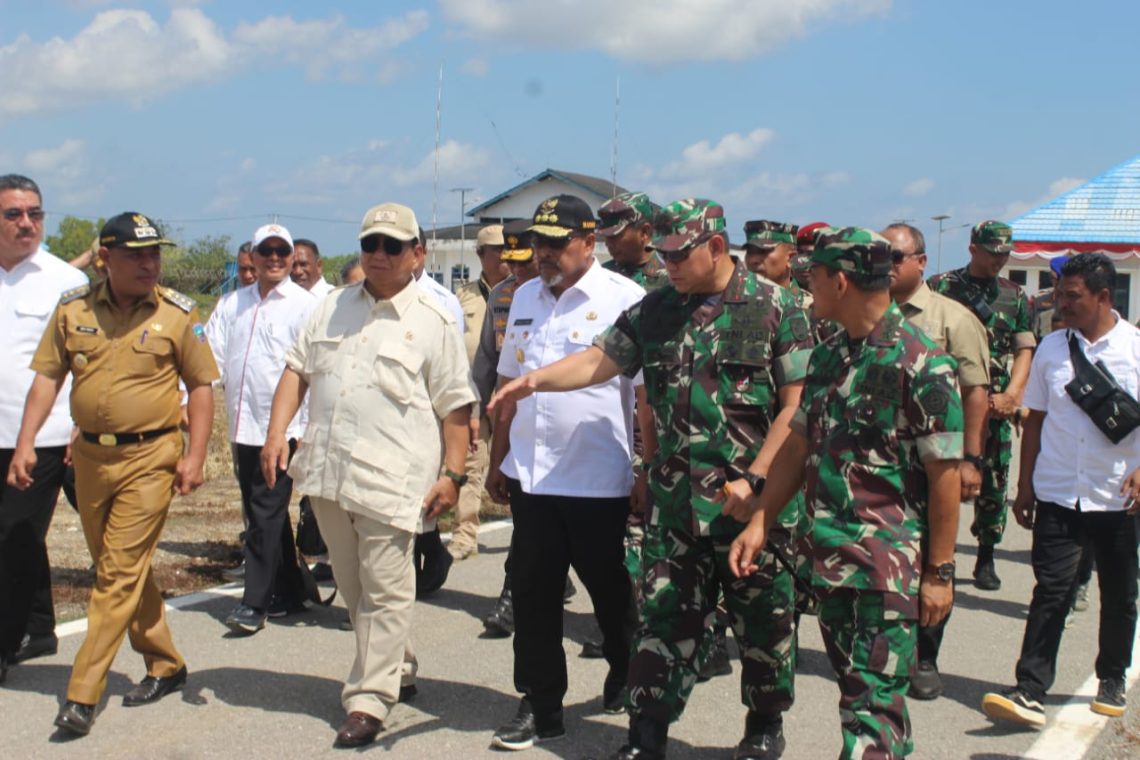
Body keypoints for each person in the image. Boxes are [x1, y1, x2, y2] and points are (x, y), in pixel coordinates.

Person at [492, 198, 816, 760]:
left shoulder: (777, 306)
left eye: (679, 255)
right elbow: (599, 361)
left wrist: (759, 477)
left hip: (751, 507)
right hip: (676, 506)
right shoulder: (657, 309)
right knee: (663, 624)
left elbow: (797, 406)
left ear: (716, 247)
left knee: (762, 624)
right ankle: (646, 735)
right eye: (661, 253)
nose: (668, 265)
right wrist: (536, 381)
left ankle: (764, 725)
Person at [730, 227, 963, 759]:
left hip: (885, 572)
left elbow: (945, 477)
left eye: (813, 277)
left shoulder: (923, 362)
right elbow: (796, 447)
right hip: (829, 565)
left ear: (840, 280)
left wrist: (940, 574)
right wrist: (762, 519)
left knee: (870, 713)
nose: (807, 288)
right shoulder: (830, 356)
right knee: (864, 703)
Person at [260, 201, 475, 748]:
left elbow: (456, 408)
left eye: (392, 246)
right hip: (330, 473)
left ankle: (369, 698)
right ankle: (397, 664)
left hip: (394, 477)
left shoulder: (434, 320)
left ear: (417, 254)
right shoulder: (331, 305)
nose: (379, 255)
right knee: (354, 586)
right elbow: (297, 371)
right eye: (370, 244)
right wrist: (275, 433)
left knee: (386, 587)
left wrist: (453, 475)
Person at [8, 211, 218, 736]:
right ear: (105, 259)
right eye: (137, 255)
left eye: (155, 254)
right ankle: (166, 662)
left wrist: (194, 456)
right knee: (123, 567)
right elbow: (47, 379)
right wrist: (26, 443)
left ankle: (82, 693)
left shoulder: (176, 314)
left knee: (114, 575)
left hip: (151, 458)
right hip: (92, 460)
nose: (150, 264)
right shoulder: (73, 309)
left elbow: (202, 388)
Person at [485, 194, 645, 752]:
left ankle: (626, 668)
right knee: (533, 595)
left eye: (556, 242)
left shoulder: (625, 299)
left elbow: (644, 396)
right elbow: (509, 382)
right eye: (539, 242)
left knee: (609, 591)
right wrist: (497, 461)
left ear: (588, 240)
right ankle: (540, 705)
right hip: (532, 475)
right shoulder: (524, 296)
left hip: (596, 478)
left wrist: (644, 475)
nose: (544, 253)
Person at [981, 252, 1140, 727]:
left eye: (1073, 297)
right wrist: (1024, 486)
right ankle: (1030, 687)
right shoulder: (1051, 348)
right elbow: (1035, 423)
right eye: (1059, 295)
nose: (1061, 305)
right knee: (1051, 590)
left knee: (1119, 592)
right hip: (1057, 491)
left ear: (1104, 297)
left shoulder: (1135, 348)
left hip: (1118, 495)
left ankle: (1112, 676)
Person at [883, 222, 991, 701]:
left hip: (934, 462)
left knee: (934, 555)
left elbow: (975, 394)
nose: (887, 265)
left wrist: (970, 459)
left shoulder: (952, 319)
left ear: (921, 262)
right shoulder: (868, 312)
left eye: (896, 257)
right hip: (880, 464)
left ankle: (926, 654)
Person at [204, 223, 317, 634]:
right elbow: (211, 359)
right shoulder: (232, 305)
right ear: (251, 255)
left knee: (265, 514)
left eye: (281, 251)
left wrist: (302, 426)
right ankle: (292, 588)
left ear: (291, 257)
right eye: (265, 250)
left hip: (281, 430)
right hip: (241, 427)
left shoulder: (305, 306)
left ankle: (255, 603)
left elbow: (311, 370)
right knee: (260, 511)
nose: (273, 258)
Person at [0, 174, 88, 683]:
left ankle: (5, 641)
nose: (27, 223)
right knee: (20, 537)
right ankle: (37, 626)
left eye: (35, 212)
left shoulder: (64, 282)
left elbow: (87, 363)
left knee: (14, 534)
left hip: (45, 438)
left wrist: (77, 423)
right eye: (13, 214)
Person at [928, 220, 1035, 591]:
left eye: (1005, 254)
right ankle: (938, 553)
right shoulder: (941, 287)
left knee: (993, 477)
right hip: (947, 398)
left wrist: (1014, 393)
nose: (999, 261)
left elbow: (1025, 348)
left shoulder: (1015, 296)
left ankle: (987, 554)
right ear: (973, 248)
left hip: (995, 402)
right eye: (993, 253)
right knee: (940, 473)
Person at [475, 220, 540, 638]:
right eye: (510, 263)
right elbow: (489, 358)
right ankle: (512, 599)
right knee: (527, 520)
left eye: (525, 263)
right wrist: (475, 411)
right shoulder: (501, 296)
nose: (516, 272)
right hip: (514, 418)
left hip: (563, 426)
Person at [450, 224, 509, 561]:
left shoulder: (521, 291)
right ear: (480, 254)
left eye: (508, 249)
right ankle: (464, 535)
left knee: (514, 470)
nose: (503, 256)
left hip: (511, 397)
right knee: (471, 466)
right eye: (495, 250)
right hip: (474, 397)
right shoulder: (461, 298)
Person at [597, 191, 669, 291]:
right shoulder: (601, 276)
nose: (608, 243)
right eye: (606, 236)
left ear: (644, 232)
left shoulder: (672, 279)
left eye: (616, 236)